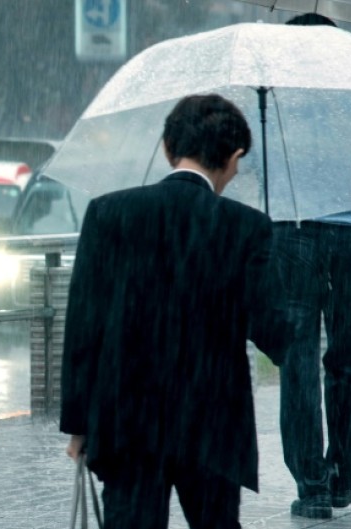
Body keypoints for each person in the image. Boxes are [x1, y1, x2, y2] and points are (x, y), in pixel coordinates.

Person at [60, 94, 294, 528]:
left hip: (128, 422)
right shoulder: (246, 227)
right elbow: (275, 335)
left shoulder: (110, 213)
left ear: (169, 148)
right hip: (212, 424)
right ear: (235, 156)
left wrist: (80, 424)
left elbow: (83, 329)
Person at [274, 12, 351, 521]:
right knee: (348, 362)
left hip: (296, 233)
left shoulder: (281, 96)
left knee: (299, 360)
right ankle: (343, 482)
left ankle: (312, 485)